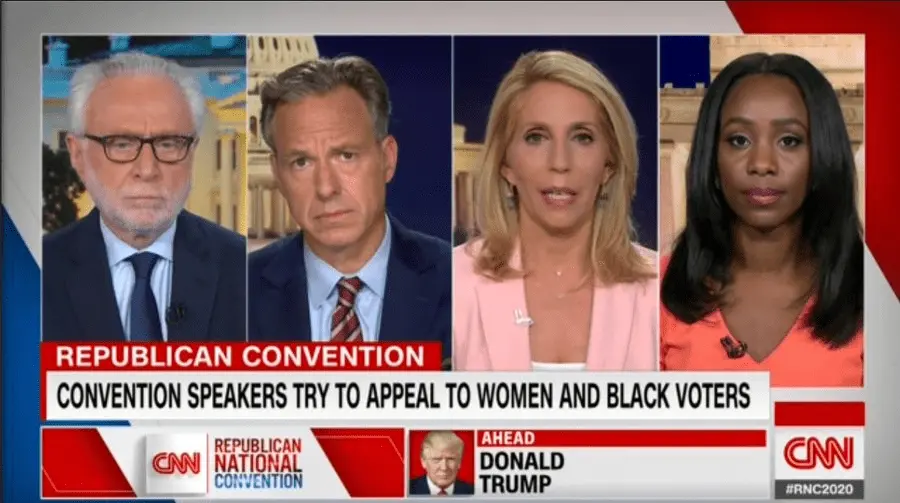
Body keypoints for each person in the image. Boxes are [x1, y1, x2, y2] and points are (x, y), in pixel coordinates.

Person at [659, 52, 864, 387]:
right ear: (712, 158)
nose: (762, 164)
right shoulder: (656, 292)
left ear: (823, 154)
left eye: (789, 141)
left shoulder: (876, 295)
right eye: (739, 140)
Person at [453, 50, 658, 371]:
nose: (560, 162)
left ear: (609, 165)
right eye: (536, 137)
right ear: (506, 165)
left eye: (582, 138)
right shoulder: (451, 283)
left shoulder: (661, 289)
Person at [247, 56, 452, 362]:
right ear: (278, 173)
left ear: (387, 159)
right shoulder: (238, 293)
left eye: (346, 156)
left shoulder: (458, 283)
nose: (326, 188)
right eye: (301, 162)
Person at [42, 52, 247, 342]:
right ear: (77, 155)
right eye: (121, 144)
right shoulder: (32, 273)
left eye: (169, 143)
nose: (148, 170)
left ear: (192, 152)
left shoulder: (246, 274)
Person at [409, 431, 474, 496]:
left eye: (450, 459)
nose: (444, 468)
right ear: (423, 462)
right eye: (437, 459)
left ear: (459, 462)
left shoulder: (473, 491)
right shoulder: (408, 489)